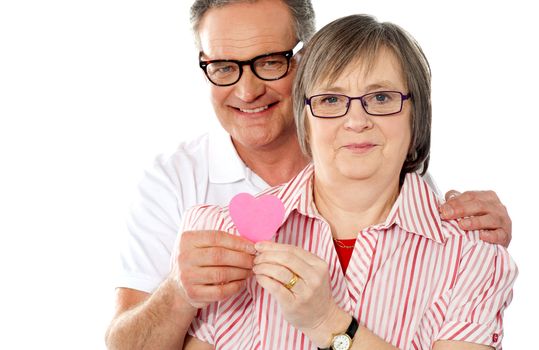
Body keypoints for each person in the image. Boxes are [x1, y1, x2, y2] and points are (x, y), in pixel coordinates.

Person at [105, 1, 513, 349]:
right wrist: (179, 292)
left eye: (268, 62)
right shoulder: (198, 208)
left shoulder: (463, 247)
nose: (247, 92)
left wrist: (328, 324)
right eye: (225, 67)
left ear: (301, 63)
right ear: (310, 111)